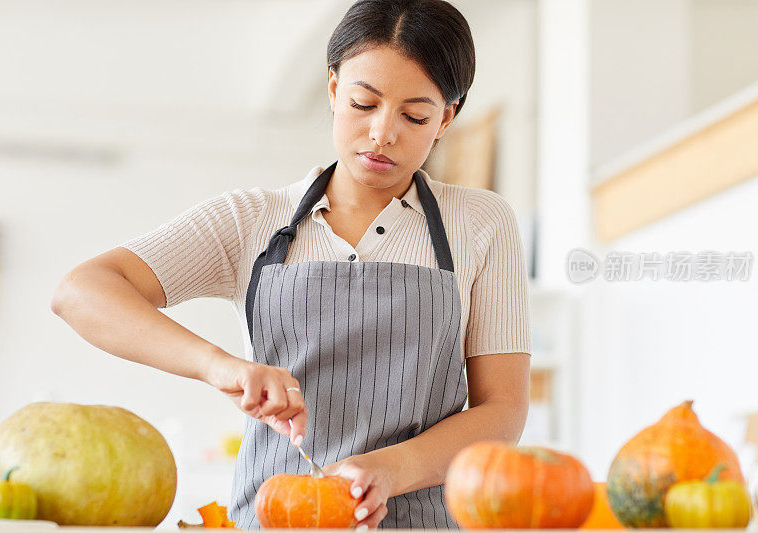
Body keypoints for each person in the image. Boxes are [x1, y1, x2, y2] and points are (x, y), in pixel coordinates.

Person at [51, 0, 531, 529]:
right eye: (362, 104)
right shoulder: (251, 218)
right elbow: (82, 291)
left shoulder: (482, 223)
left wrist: (391, 470)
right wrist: (221, 367)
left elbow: (503, 410)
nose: (381, 134)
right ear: (332, 91)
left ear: (446, 118)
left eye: (414, 116)